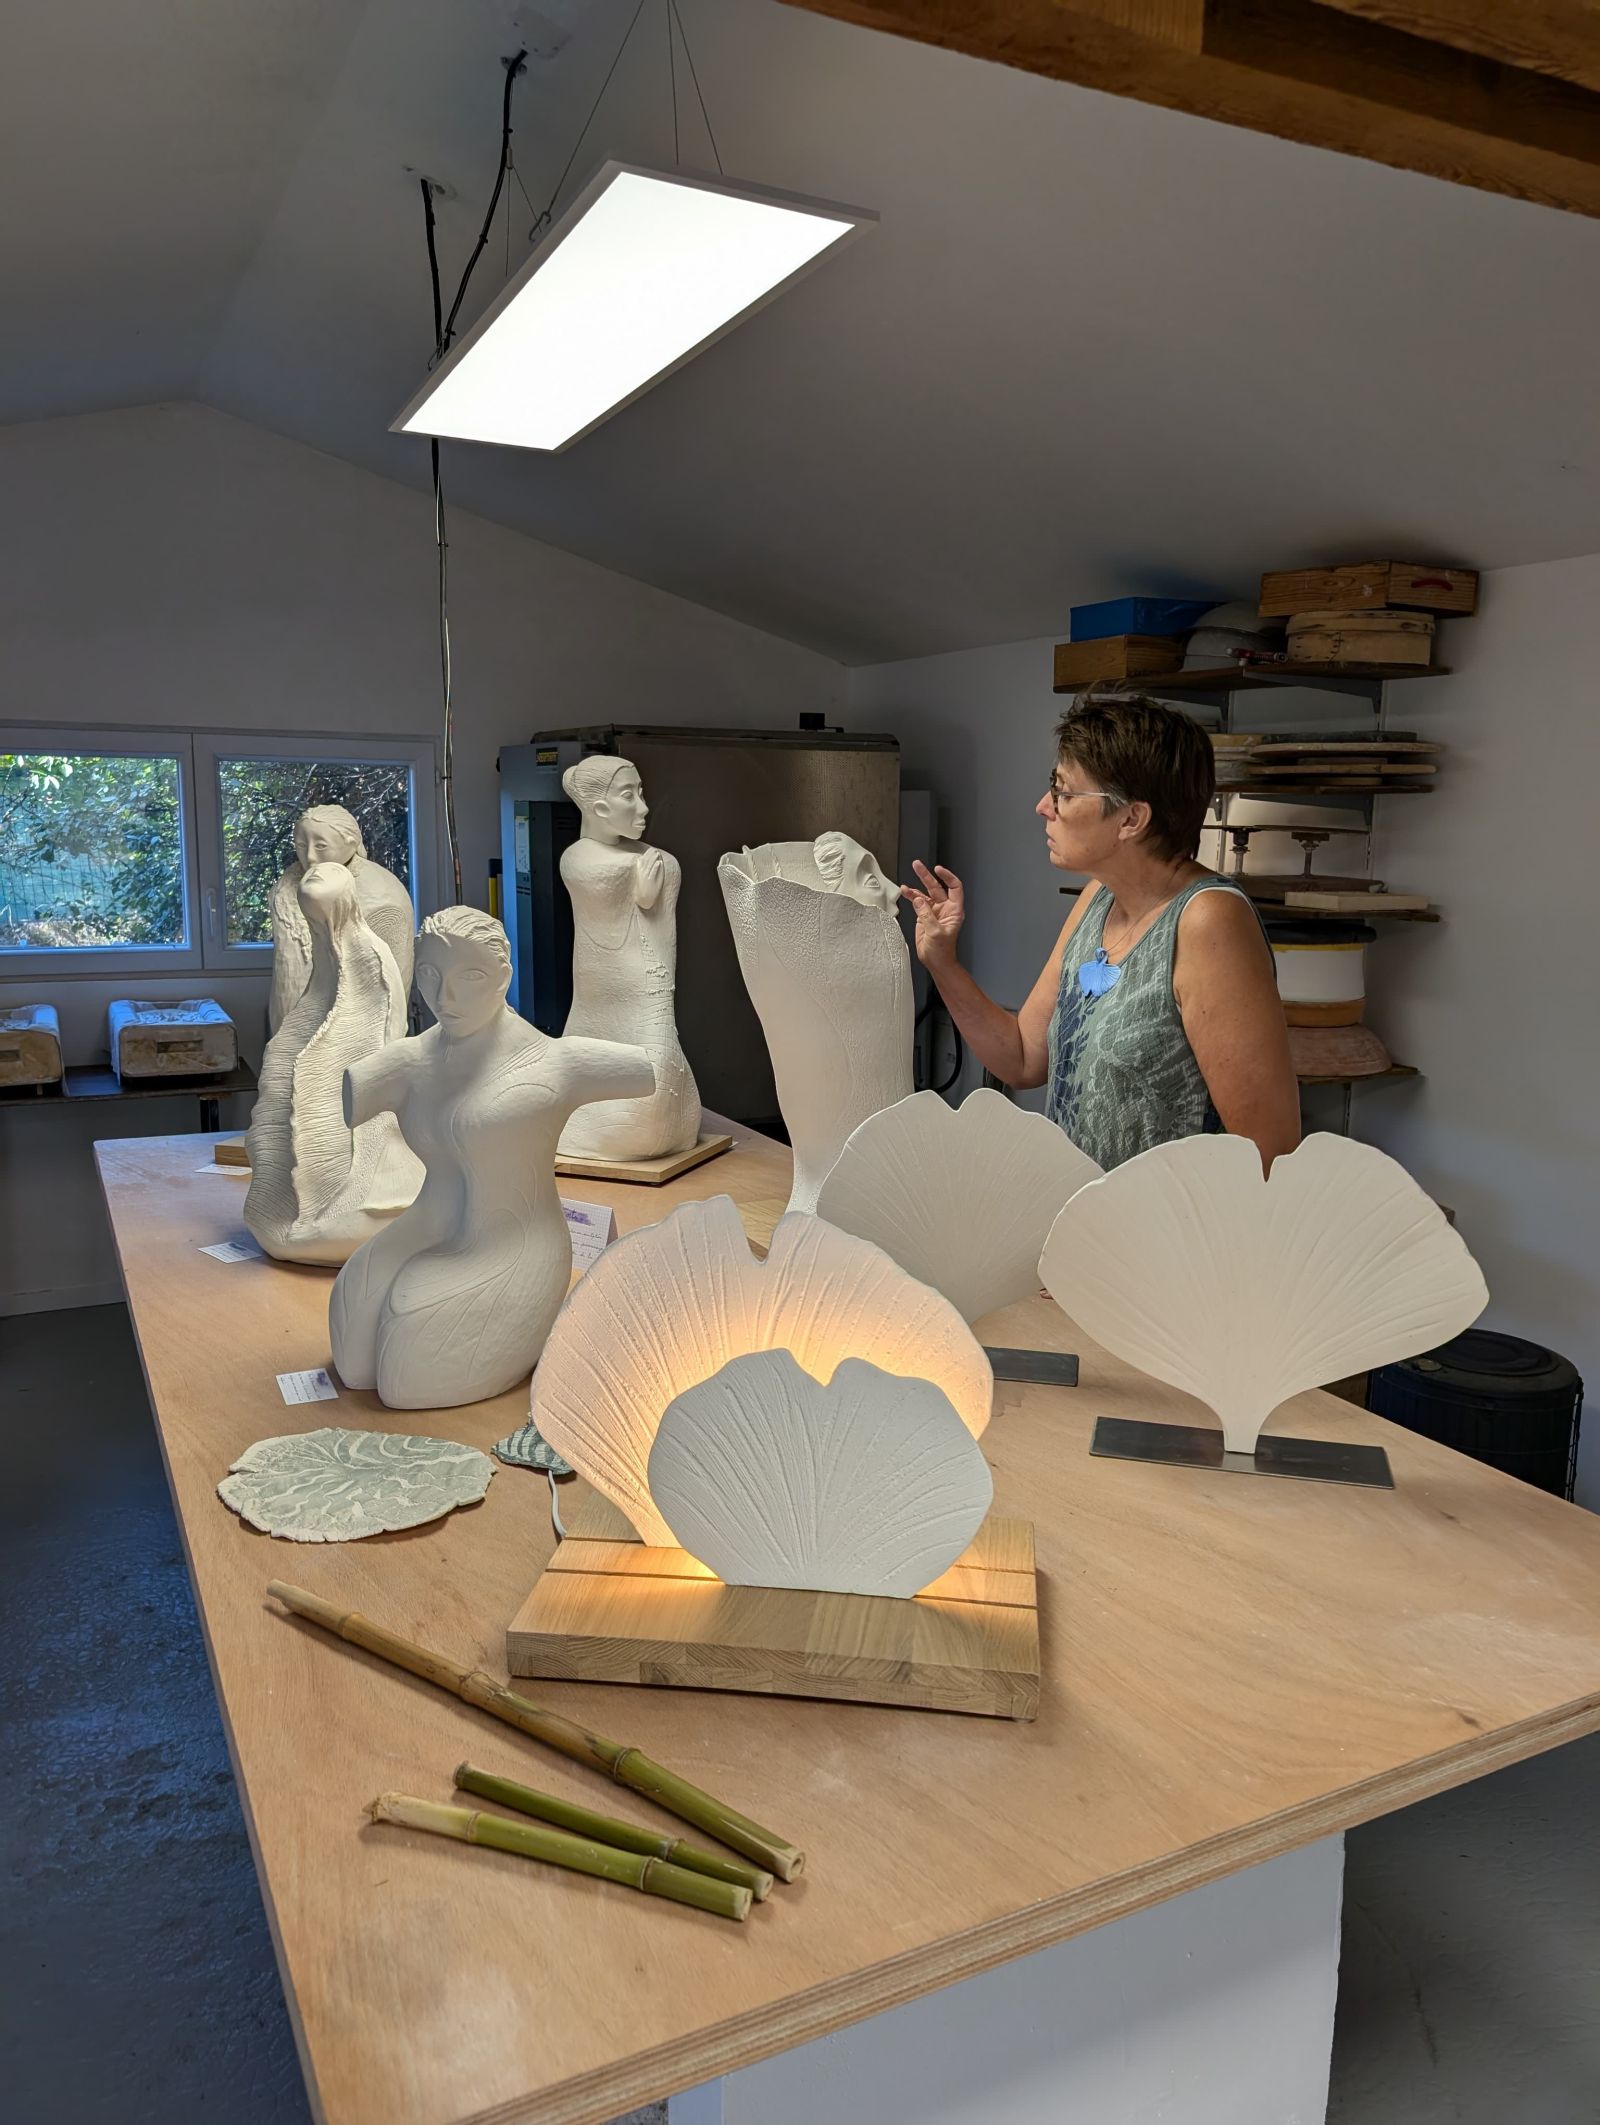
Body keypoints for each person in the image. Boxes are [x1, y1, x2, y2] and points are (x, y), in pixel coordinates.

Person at [901, 691, 1299, 1171]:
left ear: (1131, 818)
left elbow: (1268, 1152)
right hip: (1081, 1210)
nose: (1043, 806)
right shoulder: (1098, 898)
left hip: (1160, 1218)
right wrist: (942, 962)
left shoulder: (1208, 919)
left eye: (1065, 793)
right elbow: (1023, 1058)